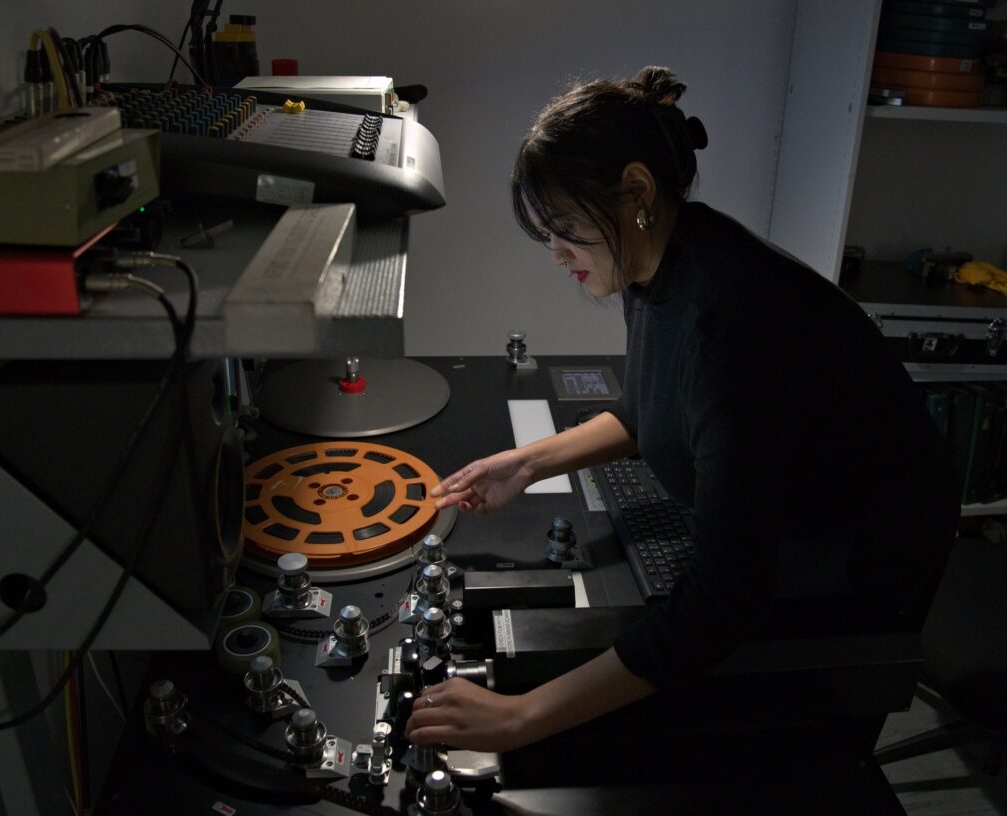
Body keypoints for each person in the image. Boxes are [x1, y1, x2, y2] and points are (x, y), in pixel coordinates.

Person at [404, 66, 960, 754]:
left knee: (789, 758)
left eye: (568, 230)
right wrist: (524, 463)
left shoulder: (736, 324)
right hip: (785, 526)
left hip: (856, 556)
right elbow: (646, 415)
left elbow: (720, 604)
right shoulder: (655, 264)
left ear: (635, 191)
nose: (557, 256)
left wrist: (518, 718)